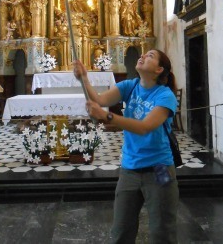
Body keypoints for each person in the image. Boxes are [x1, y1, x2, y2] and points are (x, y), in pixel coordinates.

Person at [73, 49, 179, 243]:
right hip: (130, 168)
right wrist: (84, 79)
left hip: (160, 168)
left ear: (159, 69)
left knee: (162, 231)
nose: (143, 55)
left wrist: (107, 116)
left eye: (150, 56)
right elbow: (100, 100)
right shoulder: (130, 86)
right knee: (121, 231)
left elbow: (145, 127)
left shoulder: (165, 95)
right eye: (144, 54)